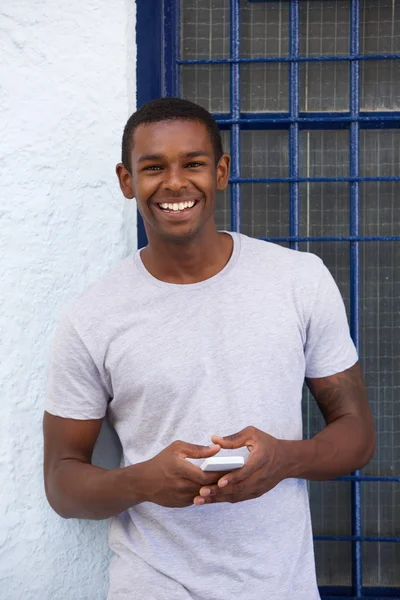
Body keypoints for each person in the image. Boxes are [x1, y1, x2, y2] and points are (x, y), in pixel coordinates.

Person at [43, 97, 375, 600]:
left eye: (193, 163)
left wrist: (284, 459)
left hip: (278, 583)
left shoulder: (298, 280)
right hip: (152, 582)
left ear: (220, 172)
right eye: (153, 167)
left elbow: (358, 437)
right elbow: (62, 484)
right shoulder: (91, 318)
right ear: (126, 180)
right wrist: (145, 481)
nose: (175, 183)